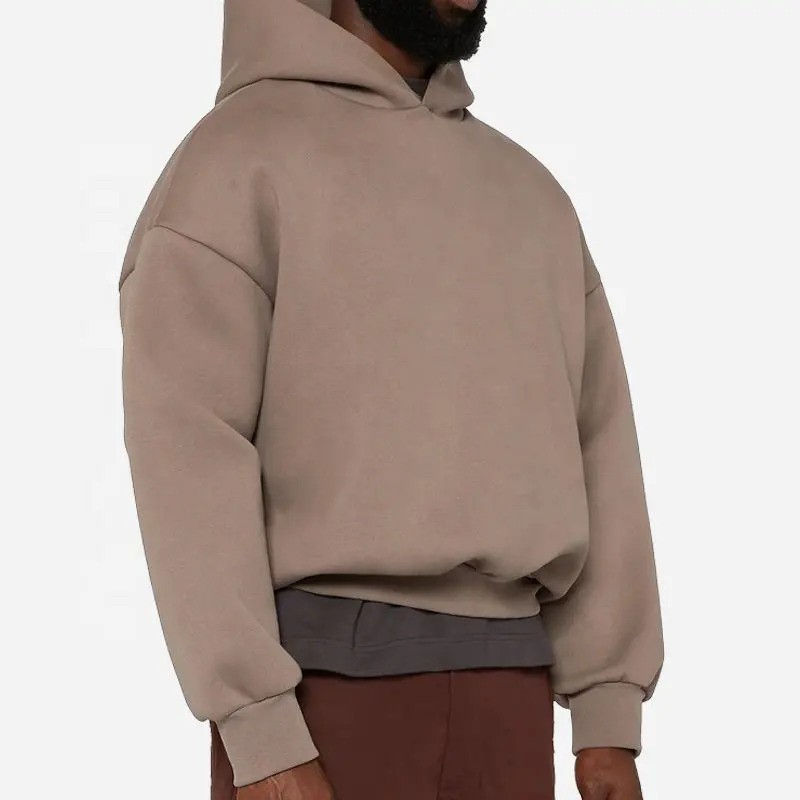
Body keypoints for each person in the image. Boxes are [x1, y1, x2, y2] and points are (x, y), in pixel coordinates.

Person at [119, 1, 663, 798]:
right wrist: (259, 729)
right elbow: (186, 453)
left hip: (512, 694)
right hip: (320, 701)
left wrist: (607, 712)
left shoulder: (529, 192)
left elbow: (600, 441)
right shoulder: (236, 163)